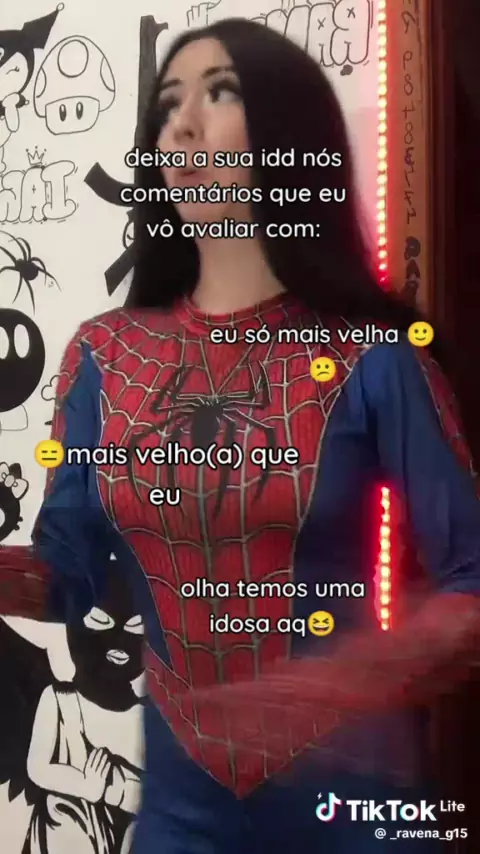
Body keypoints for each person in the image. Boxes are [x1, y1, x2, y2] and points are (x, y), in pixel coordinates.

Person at [0, 17, 479, 854]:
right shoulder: (102, 356)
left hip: (357, 805)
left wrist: (340, 682)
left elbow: (473, 579)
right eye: (167, 105)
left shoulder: (374, 356)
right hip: (181, 812)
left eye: (220, 93)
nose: (182, 126)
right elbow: (69, 576)